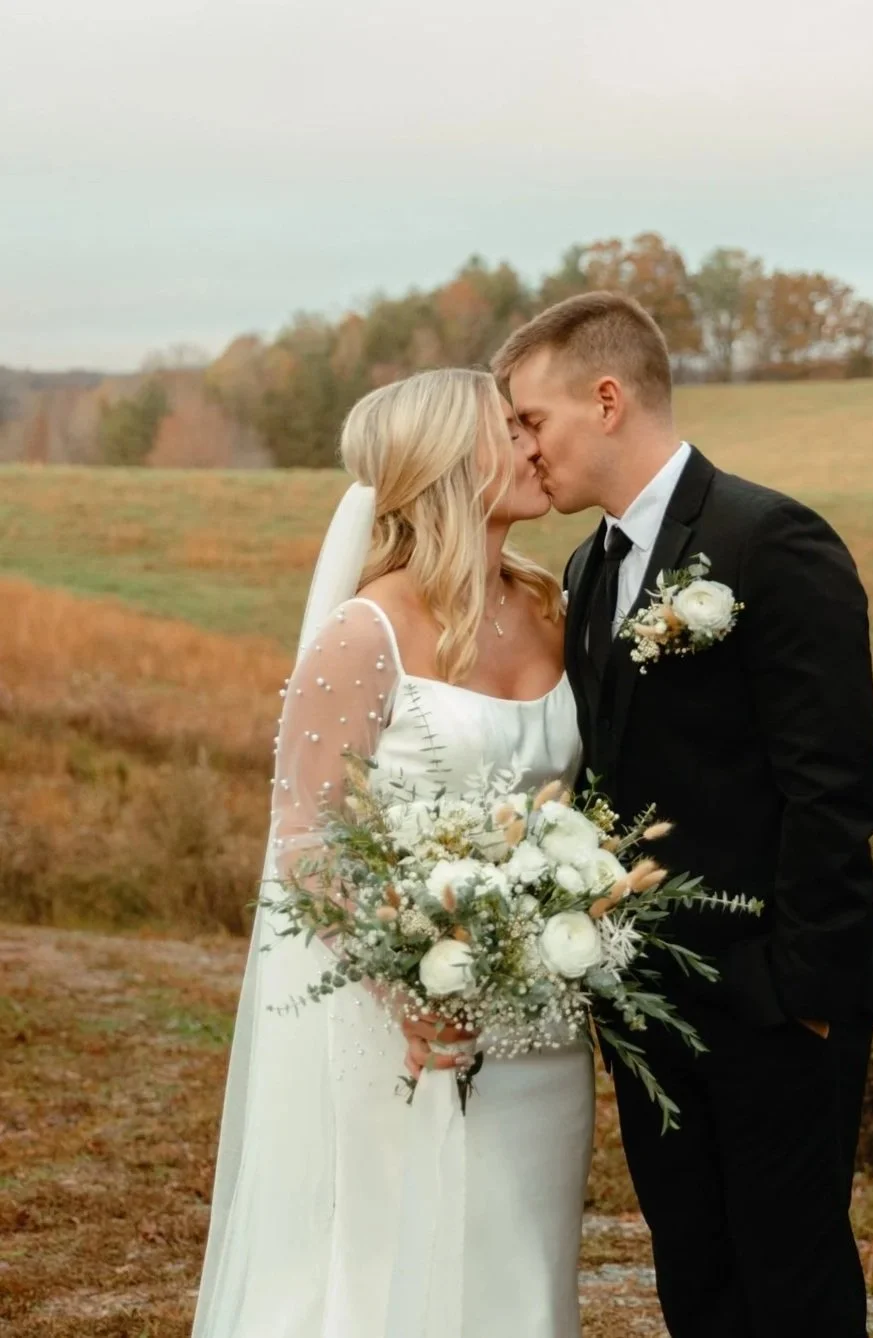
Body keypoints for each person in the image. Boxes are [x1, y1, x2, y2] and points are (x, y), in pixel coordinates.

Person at [493, 292, 873, 1338]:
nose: (523, 450)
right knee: (696, 1285)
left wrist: (796, 990)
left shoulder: (769, 542)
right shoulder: (588, 570)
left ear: (608, 398)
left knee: (791, 1287)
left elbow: (836, 786)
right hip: (649, 1007)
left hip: (774, 1002)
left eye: (531, 420)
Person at [192, 368, 594, 1338]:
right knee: (398, 1274)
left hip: (540, 1025)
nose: (536, 443)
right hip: (402, 1024)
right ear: (450, 461)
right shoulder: (365, 631)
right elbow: (306, 842)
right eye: (511, 428)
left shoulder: (550, 609)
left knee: (524, 1269)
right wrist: (410, 987)